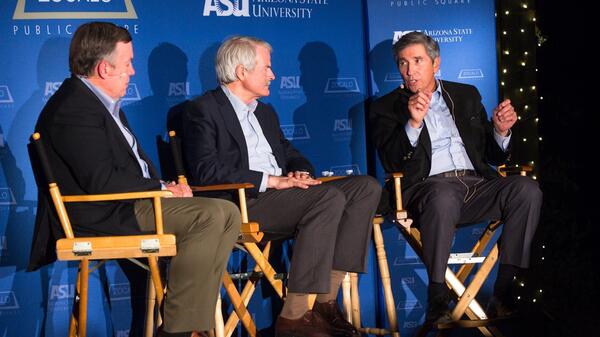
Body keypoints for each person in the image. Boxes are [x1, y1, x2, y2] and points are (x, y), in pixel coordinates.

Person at [30, 22, 240, 337]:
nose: (133, 72)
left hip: (131, 203)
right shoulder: (73, 109)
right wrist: (161, 189)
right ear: (103, 68)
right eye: (127, 63)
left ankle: (189, 321)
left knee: (228, 212)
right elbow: (101, 181)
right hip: (105, 213)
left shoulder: (100, 105)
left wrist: (164, 189)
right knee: (209, 215)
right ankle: (178, 330)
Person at [180, 36, 381, 337]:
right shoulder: (203, 109)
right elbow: (205, 171)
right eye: (267, 68)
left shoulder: (265, 112)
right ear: (242, 72)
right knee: (327, 198)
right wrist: (272, 180)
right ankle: (294, 316)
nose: (273, 75)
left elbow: (289, 153)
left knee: (365, 187)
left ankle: (326, 304)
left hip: (284, 197)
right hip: (245, 202)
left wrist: (299, 172)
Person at [370, 32, 542, 324]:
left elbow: (493, 156)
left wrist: (500, 132)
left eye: (417, 61)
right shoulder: (387, 107)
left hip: (477, 187)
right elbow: (391, 161)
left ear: (436, 63)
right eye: (403, 63)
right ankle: (437, 295)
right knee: (443, 195)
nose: (409, 70)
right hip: (427, 189)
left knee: (527, 189)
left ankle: (505, 289)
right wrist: (412, 123)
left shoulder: (466, 95)